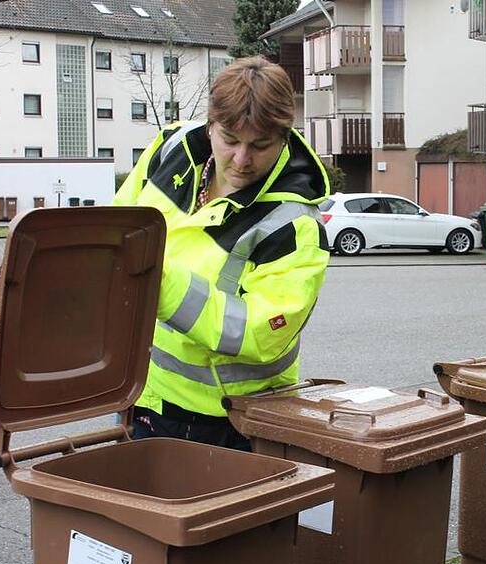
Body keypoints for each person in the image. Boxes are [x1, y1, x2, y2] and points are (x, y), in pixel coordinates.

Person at [113, 56, 330, 450]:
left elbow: (262, 334)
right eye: (229, 140)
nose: (242, 160)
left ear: (284, 138)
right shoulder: (170, 150)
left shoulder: (294, 224)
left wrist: (157, 282)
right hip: (143, 394)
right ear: (210, 125)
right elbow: (118, 230)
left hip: (229, 421)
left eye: (259, 146)